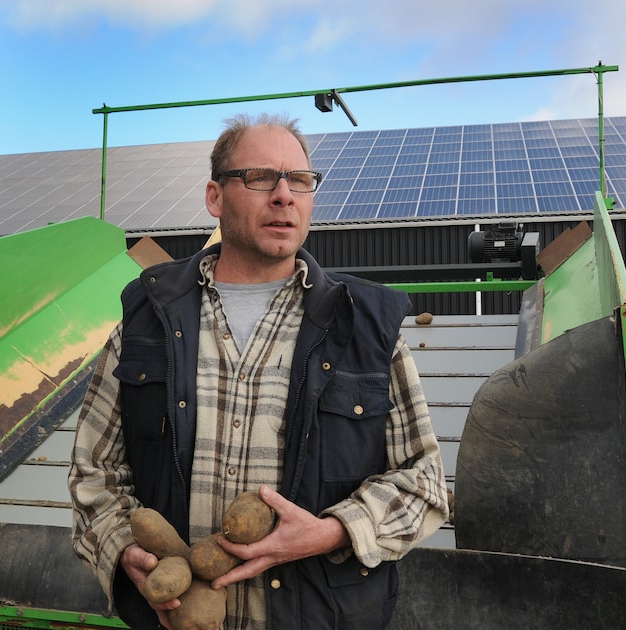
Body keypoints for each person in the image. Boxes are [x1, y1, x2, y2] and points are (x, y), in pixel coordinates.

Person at [69, 113, 449, 630]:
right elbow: (94, 471)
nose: (284, 195)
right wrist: (121, 550)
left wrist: (333, 531)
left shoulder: (365, 328)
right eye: (260, 178)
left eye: (300, 180)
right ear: (215, 197)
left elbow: (424, 481)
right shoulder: (148, 321)